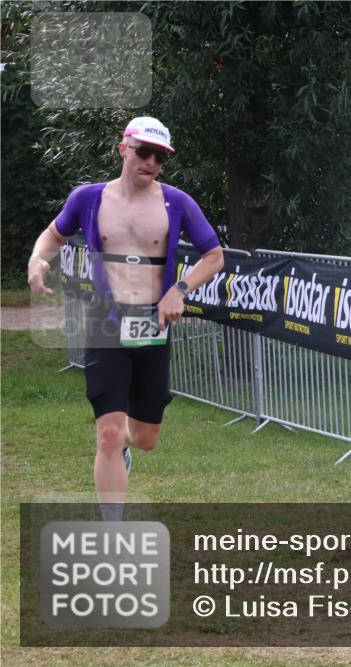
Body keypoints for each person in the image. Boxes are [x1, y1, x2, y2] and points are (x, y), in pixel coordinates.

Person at [26, 116, 224, 521]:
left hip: (154, 325)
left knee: (145, 436)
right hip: (105, 324)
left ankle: (128, 449)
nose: (150, 162)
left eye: (159, 157)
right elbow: (53, 234)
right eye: (143, 152)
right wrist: (37, 259)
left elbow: (214, 256)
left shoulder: (177, 202)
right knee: (108, 433)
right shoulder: (89, 198)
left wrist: (179, 290)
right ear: (123, 149)